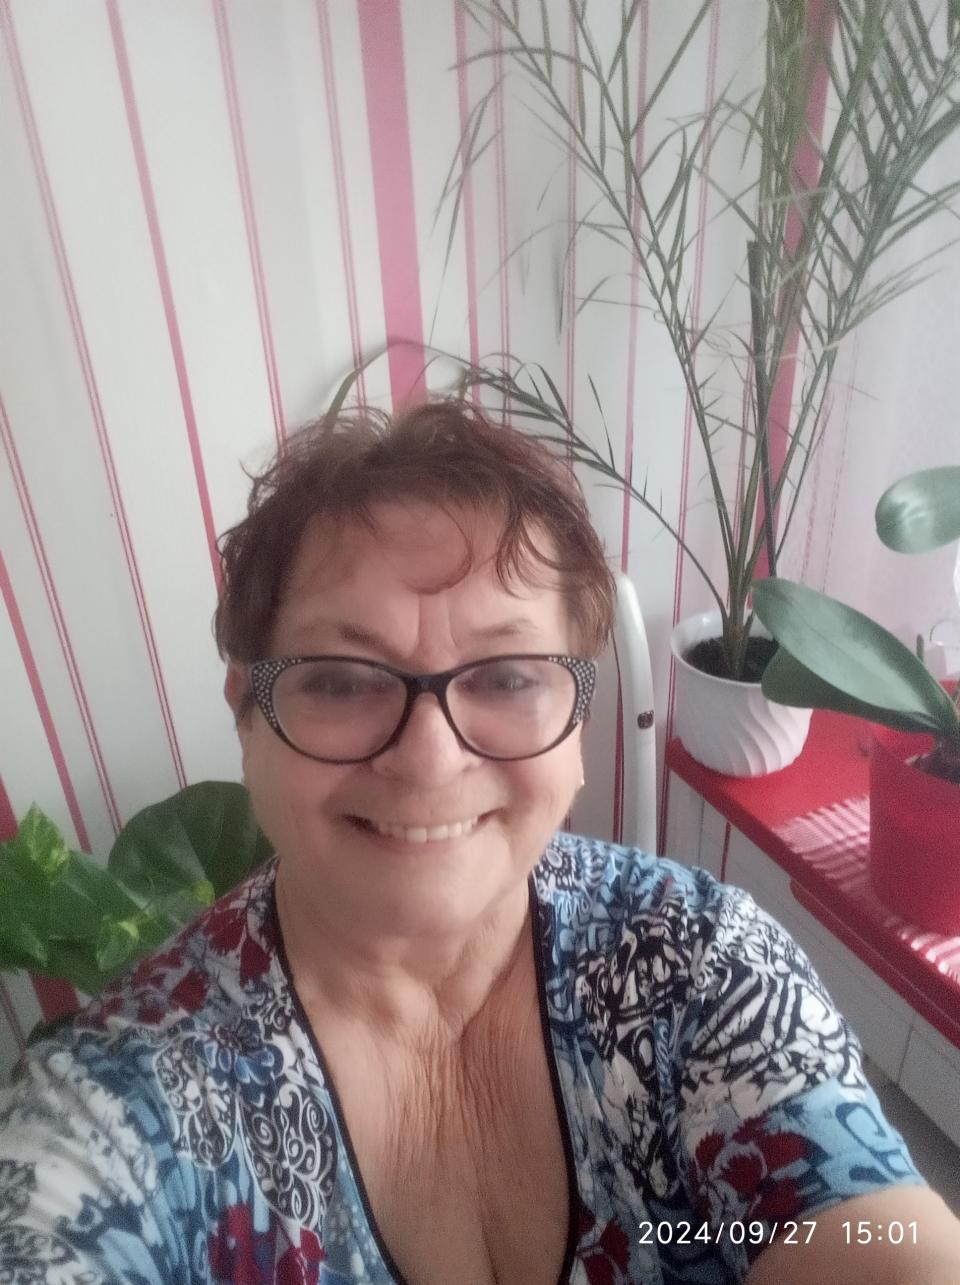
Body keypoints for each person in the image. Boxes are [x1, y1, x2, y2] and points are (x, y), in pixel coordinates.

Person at [0, 401, 958, 1285]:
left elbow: (875, 1239)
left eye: (505, 676)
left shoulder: (700, 965)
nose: (429, 759)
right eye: (341, 679)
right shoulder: (114, 1117)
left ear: (579, 719)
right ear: (248, 713)